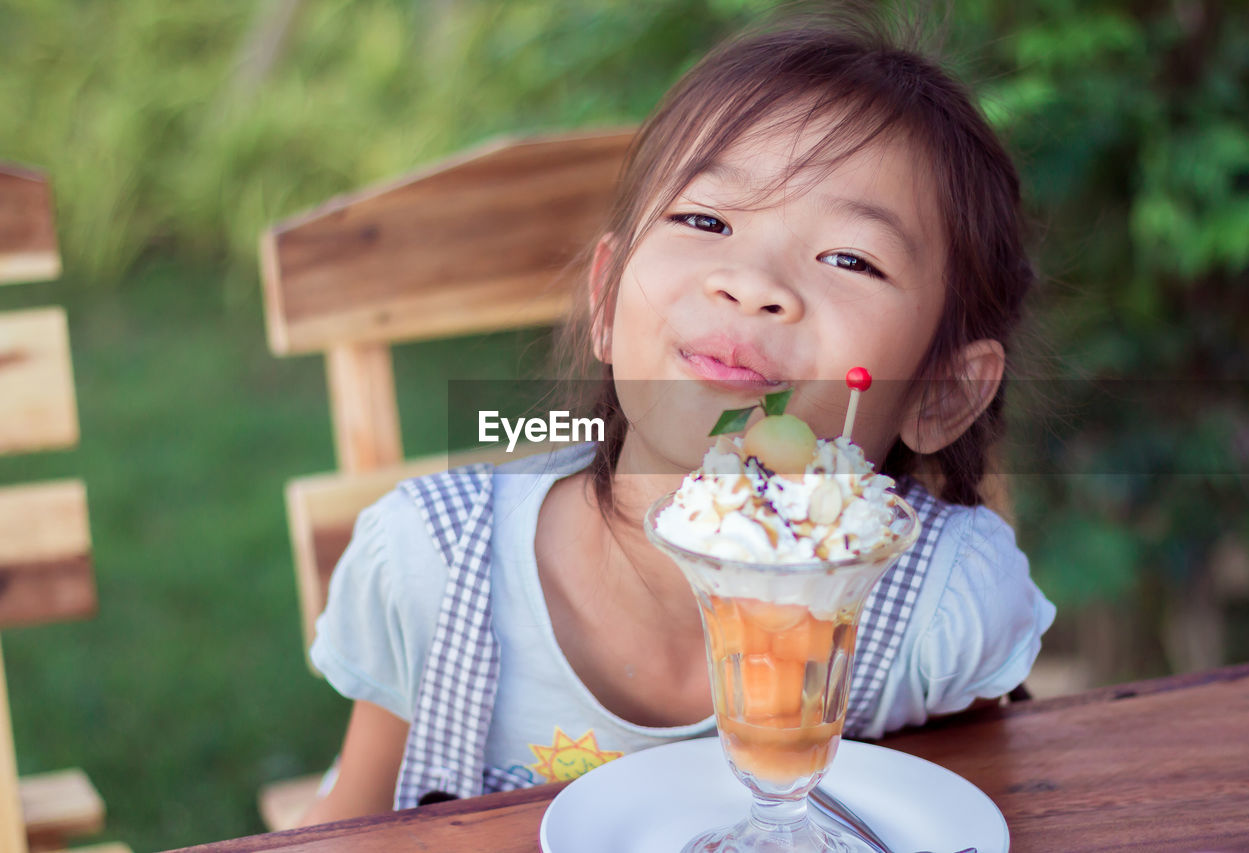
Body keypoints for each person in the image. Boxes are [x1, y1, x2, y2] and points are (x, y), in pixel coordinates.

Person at [297, 10, 1055, 826]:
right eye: (706, 220)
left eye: (849, 258)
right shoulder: (438, 570)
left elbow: (979, 821)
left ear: (941, 391)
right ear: (606, 299)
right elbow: (347, 831)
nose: (751, 280)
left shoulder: (937, 612)